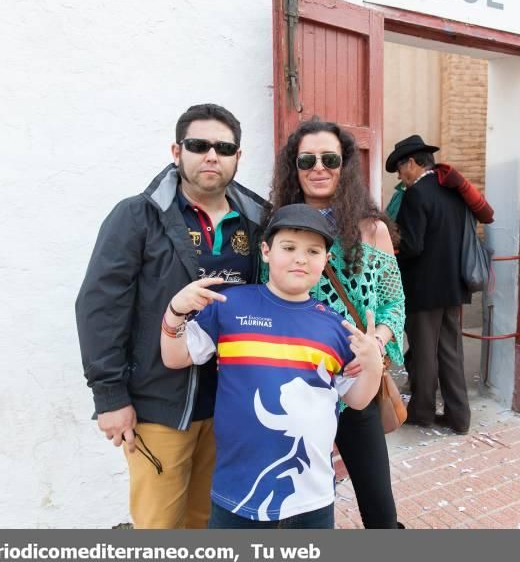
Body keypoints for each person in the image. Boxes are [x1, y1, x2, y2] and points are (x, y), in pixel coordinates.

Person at [75, 103, 267, 528]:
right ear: (177, 151)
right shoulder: (137, 216)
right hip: (160, 406)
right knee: (159, 525)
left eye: (224, 147)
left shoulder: (258, 221)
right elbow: (100, 308)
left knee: (206, 520)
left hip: (229, 406)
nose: (211, 155)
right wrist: (110, 398)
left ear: (239, 156)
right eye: (198, 145)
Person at [160, 204, 384, 528]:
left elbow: (358, 399)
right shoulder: (231, 305)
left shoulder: (336, 327)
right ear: (266, 251)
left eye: (313, 251)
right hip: (237, 494)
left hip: (312, 497)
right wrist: (174, 312)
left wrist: (373, 365)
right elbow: (175, 356)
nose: (300, 258)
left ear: (326, 260)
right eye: (288, 248)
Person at [264, 119, 406, 529]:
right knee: (301, 507)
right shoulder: (277, 229)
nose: (318, 167)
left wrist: (376, 344)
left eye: (330, 158)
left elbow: (394, 302)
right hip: (296, 390)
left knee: (380, 507)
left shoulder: (371, 230)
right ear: (294, 167)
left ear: (345, 166)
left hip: (356, 386)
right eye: (306, 159)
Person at [386, 134, 472, 435]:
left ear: (412, 163)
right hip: (452, 285)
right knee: (450, 351)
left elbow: (413, 246)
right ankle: (459, 416)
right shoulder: (451, 191)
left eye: (399, 167)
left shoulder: (416, 195)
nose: (399, 175)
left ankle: (422, 411)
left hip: (424, 288)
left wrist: (391, 244)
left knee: (423, 353)